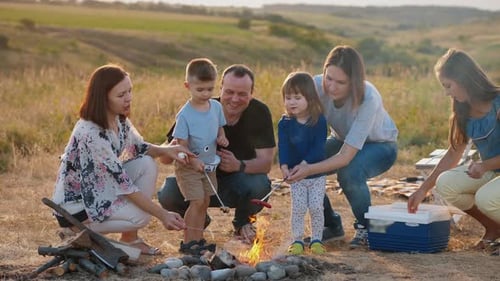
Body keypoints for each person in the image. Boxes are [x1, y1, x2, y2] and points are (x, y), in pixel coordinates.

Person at [51, 64, 188, 256]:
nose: (129, 98)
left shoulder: (117, 119)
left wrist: (168, 149)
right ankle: (78, 232)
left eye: (130, 91)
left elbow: (139, 147)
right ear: (103, 98)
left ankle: (129, 240)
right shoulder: (91, 133)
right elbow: (123, 185)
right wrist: (163, 215)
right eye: (121, 94)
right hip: (77, 208)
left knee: (146, 163)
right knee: (142, 217)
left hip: (97, 189)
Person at [287, 45, 399, 248]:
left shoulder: (369, 97)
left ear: (354, 82)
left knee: (349, 172)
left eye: (341, 82)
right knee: (301, 164)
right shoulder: (315, 86)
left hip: (380, 145)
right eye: (329, 78)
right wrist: (298, 161)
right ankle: (332, 226)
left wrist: (309, 168)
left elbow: (345, 156)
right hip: (341, 138)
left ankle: (367, 228)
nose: (332, 87)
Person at [158, 64, 276, 244]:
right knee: (168, 193)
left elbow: (266, 163)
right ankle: (197, 225)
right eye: (229, 92)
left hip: (237, 184)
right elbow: (165, 158)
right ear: (220, 89)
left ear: (251, 93)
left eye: (242, 94)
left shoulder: (259, 112)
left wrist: (239, 165)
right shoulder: (198, 109)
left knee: (260, 184)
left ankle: (243, 221)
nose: (235, 99)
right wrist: (172, 149)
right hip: (198, 178)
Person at [407, 48, 500, 250]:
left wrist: (484, 166)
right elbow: (453, 153)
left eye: (448, 85)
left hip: (490, 168)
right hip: (493, 171)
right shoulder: (463, 111)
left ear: (464, 79)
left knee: (486, 199)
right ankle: (493, 227)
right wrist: (423, 189)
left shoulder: (498, 103)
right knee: (446, 183)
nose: (447, 92)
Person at [172, 58, 228, 254]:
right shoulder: (185, 115)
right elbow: (180, 144)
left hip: (208, 164)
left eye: (210, 89)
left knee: (204, 201)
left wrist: (222, 137)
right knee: (195, 202)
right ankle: (188, 241)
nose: (205, 94)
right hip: (188, 165)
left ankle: (199, 239)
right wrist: (193, 160)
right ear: (188, 86)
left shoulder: (216, 107)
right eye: (200, 90)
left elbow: (220, 128)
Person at [278, 72, 328, 255]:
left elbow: (318, 147)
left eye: (297, 97)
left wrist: (305, 164)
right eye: (288, 97)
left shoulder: (319, 121)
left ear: (310, 98)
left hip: (315, 175)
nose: (292, 102)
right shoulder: (285, 123)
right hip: (295, 176)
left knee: (316, 207)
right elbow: (283, 146)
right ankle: (297, 239)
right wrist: (284, 166)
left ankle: (316, 240)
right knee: (298, 208)